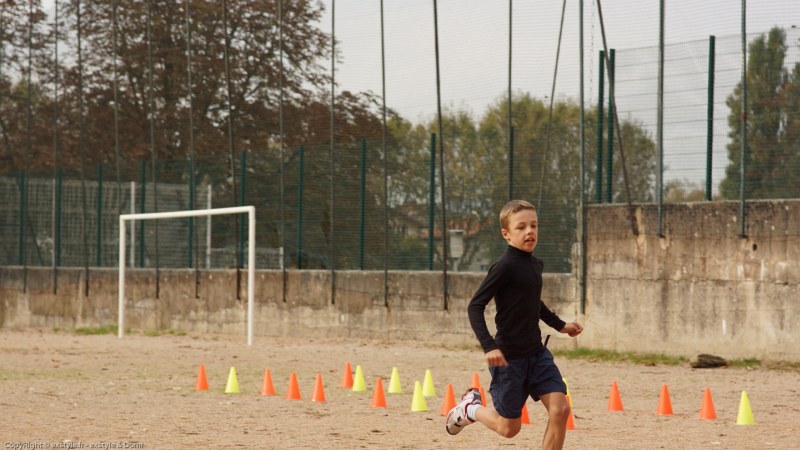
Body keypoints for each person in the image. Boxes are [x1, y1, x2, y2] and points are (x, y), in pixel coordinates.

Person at [445, 199, 583, 450]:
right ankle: (471, 408)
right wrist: (489, 346)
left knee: (560, 409)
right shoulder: (504, 266)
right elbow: (475, 306)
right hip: (509, 360)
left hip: (537, 354)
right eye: (521, 227)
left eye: (533, 225)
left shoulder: (535, 264)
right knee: (509, 429)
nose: (529, 231)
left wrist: (560, 325)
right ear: (506, 234)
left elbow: (534, 302)